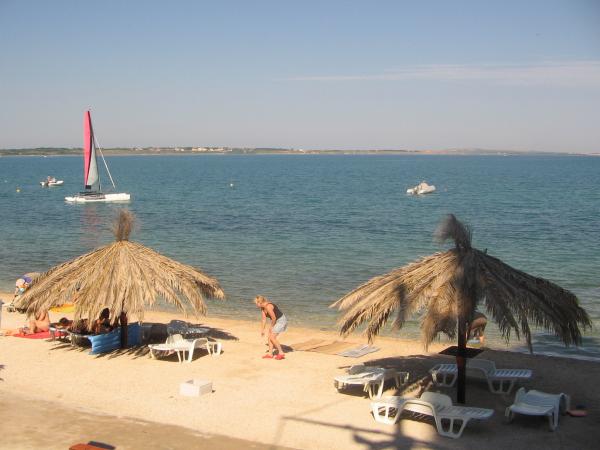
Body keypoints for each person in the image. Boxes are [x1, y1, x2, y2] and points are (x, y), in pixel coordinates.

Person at [254, 295, 288, 360]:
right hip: (276, 321)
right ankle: (270, 354)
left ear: (259, 302)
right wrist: (262, 330)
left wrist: (271, 327)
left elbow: (274, 318)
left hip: (281, 321)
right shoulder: (262, 308)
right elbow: (264, 319)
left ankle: (281, 353)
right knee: (269, 337)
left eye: (256, 303)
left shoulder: (268, 306)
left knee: (272, 337)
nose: (256, 305)